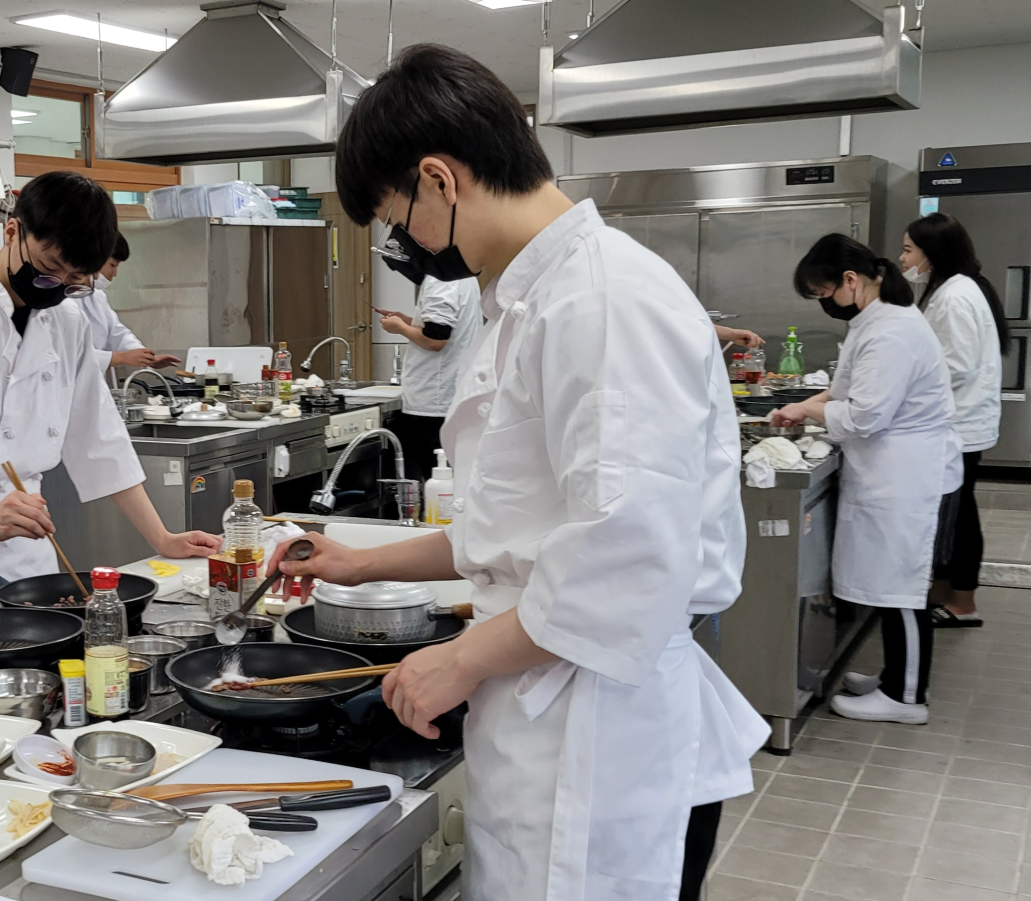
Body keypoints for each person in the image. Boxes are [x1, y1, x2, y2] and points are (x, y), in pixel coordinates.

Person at [287, 43, 767, 901]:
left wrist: (461, 660)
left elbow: (621, 558)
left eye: (400, 221)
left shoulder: (604, 300)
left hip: (596, 738)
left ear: (440, 178)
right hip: (546, 708)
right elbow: (515, 530)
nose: (409, 245)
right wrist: (359, 562)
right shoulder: (528, 299)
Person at [0, 171, 219, 631]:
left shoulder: (67, 320)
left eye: (76, 278)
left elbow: (98, 438)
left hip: (26, 555)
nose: (58, 284)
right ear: (14, 231)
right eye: (50, 266)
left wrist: (162, 537)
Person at [771, 234, 961, 724]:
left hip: (906, 475)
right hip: (889, 470)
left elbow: (865, 416)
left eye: (823, 293)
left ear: (850, 281)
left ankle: (907, 697)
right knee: (889, 583)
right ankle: (897, 678)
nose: (824, 303)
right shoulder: (875, 322)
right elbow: (847, 390)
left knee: (902, 588)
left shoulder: (892, 331)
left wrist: (811, 414)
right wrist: (810, 406)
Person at [900, 213, 1005, 628]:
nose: (903, 257)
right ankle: (942, 592)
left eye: (909, 249)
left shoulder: (957, 295)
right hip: (958, 422)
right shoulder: (949, 288)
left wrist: (904, 380)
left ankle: (964, 603)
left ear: (932, 253)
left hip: (960, 425)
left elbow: (955, 365)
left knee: (960, 518)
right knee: (949, 514)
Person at [377, 275, 479, 483]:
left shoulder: (441, 279)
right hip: (451, 394)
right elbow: (441, 328)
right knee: (451, 480)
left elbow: (435, 340)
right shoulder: (463, 275)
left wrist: (400, 328)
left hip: (435, 400)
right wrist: (411, 322)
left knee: (438, 482)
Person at [79, 236, 179, 370]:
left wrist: (145, 357)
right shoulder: (61, 300)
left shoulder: (97, 297)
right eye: (112, 265)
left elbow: (117, 333)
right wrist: (121, 357)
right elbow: (72, 355)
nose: (114, 273)